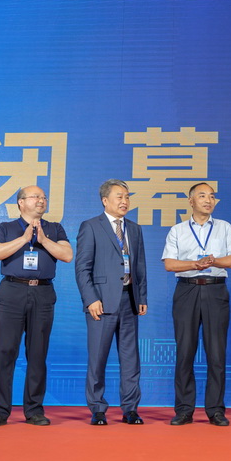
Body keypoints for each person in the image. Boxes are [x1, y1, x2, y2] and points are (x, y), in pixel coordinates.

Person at [0, 186, 73, 427]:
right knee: (5, 352)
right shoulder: (5, 227)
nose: (41, 200)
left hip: (43, 292)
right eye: (36, 197)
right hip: (12, 291)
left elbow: (67, 255)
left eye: (44, 197)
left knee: (37, 353)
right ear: (21, 202)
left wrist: (43, 240)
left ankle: (34, 410)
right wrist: (23, 239)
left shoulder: (54, 228)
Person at [162, 183, 231, 426]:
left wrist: (213, 261)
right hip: (186, 290)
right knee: (184, 351)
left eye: (212, 196)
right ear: (191, 201)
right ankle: (184, 410)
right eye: (202, 195)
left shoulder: (224, 227)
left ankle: (215, 410)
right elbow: (170, 264)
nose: (208, 200)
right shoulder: (177, 230)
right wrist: (194, 264)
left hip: (215, 289)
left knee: (216, 353)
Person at [76, 179, 148, 426]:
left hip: (129, 300)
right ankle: (97, 409)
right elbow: (82, 268)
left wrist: (142, 297)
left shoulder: (134, 229)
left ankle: (130, 409)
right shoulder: (91, 226)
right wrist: (91, 299)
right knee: (98, 358)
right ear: (105, 200)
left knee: (131, 359)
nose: (124, 201)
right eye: (119, 197)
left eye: (127, 197)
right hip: (102, 302)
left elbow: (139, 267)